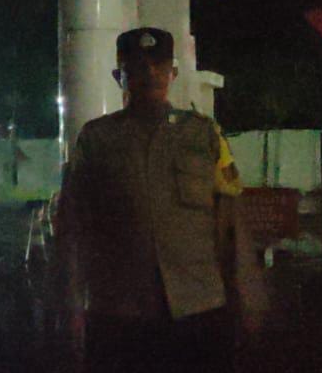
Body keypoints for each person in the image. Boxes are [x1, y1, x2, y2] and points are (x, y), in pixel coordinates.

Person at [56, 27, 265, 372]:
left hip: (199, 309)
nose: (150, 73)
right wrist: (71, 306)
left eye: (160, 66)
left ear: (173, 73)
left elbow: (232, 226)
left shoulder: (203, 134)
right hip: (121, 314)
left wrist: (249, 300)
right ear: (119, 77)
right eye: (137, 67)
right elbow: (72, 228)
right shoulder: (96, 140)